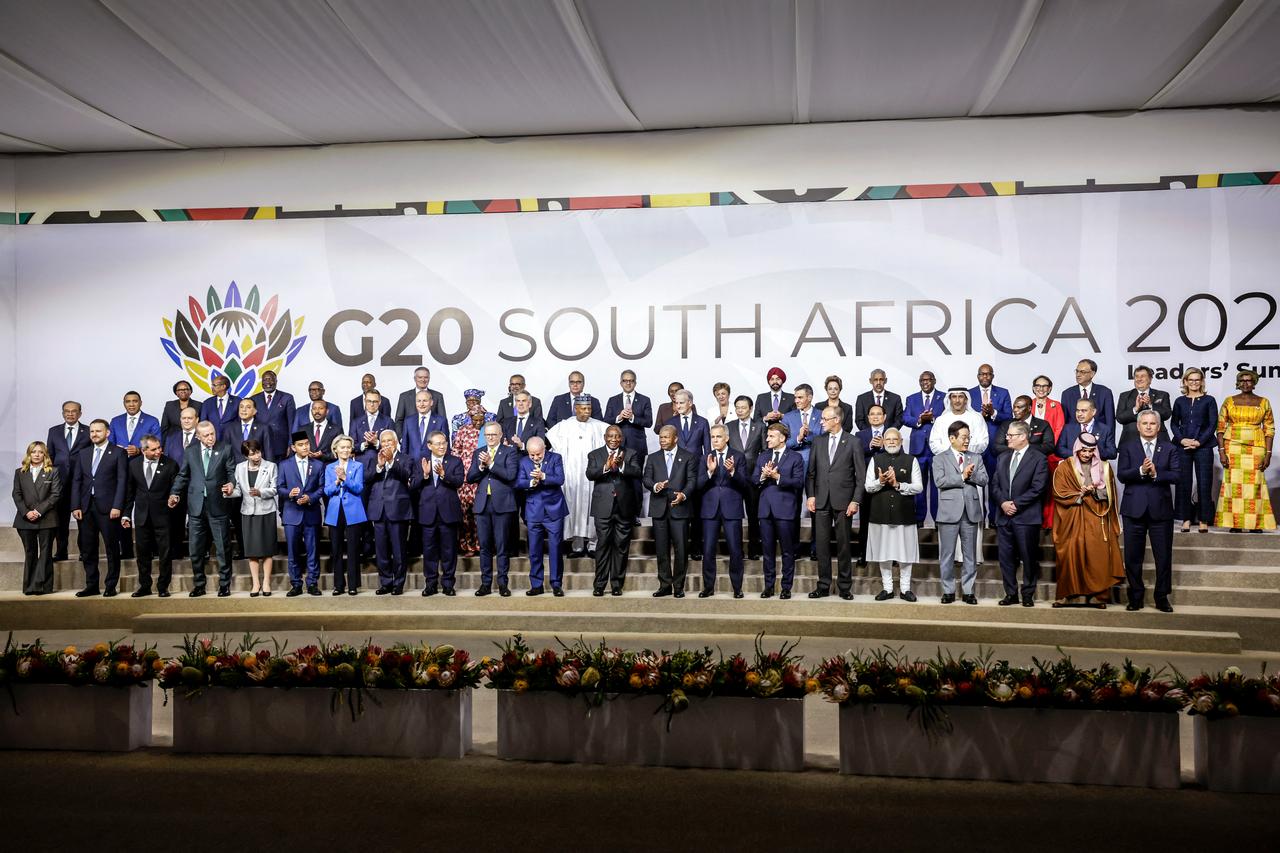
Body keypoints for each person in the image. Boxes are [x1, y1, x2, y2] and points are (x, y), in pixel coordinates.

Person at [1052, 433, 1124, 608]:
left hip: (1096, 514)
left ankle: (1099, 595)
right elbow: (1059, 491)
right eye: (1083, 450)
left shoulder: (1104, 468)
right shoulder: (1065, 467)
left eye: (1091, 451)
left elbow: (1110, 493)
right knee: (1070, 551)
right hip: (1073, 515)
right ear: (1077, 449)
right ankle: (1067, 594)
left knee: (1097, 552)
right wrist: (1079, 494)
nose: (1086, 454)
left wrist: (1094, 491)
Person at [1119, 411, 1182, 611]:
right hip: (1133, 509)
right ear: (1138, 426)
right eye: (1144, 423)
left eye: (1152, 423)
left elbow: (1176, 475)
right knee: (1132, 557)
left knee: (1163, 557)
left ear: (1159, 426)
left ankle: (1161, 597)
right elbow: (1122, 474)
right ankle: (1136, 596)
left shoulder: (1170, 448)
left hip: (1160, 511)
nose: (1148, 426)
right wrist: (1140, 471)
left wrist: (1156, 473)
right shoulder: (1127, 447)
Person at [169, 420, 237, 597]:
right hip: (196, 506)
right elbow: (183, 475)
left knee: (223, 548)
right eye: (206, 435)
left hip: (218, 505)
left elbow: (231, 472)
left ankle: (224, 584)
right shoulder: (190, 451)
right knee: (195, 549)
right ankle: (199, 584)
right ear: (198, 436)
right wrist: (174, 493)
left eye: (212, 433)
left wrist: (231, 484)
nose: (211, 437)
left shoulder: (225, 448)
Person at [807, 405, 865, 600]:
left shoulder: (853, 442)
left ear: (837, 420)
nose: (821, 421)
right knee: (822, 546)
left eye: (825, 418)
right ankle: (823, 586)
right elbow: (811, 473)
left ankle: (844, 588)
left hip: (844, 502)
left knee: (843, 546)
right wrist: (811, 496)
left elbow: (860, 476)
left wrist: (855, 500)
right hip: (821, 501)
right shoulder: (818, 441)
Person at [992, 422, 1048, 607]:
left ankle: (1028, 594)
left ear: (1023, 436)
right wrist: (1003, 503)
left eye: (1011, 435)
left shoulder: (1039, 458)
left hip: (1026, 517)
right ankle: (1011, 594)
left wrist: (1015, 504)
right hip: (1004, 516)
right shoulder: (1002, 457)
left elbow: (1038, 488)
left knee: (1028, 557)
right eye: (1008, 435)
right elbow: (995, 485)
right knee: (1006, 559)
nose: (1007, 438)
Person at [70, 419, 128, 597]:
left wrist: (118, 505)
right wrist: (76, 505)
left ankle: (111, 585)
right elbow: (77, 481)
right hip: (86, 507)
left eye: (98, 431)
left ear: (107, 433)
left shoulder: (118, 452)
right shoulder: (83, 453)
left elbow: (122, 481)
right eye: (92, 431)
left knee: (111, 548)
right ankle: (92, 585)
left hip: (109, 508)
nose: (94, 434)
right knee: (87, 549)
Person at [545, 396, 609, 557]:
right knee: (575, 508)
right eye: (583, 408)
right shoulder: (564, 426)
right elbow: (552, 445)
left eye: (589, 408)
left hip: (592, 476)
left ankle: (594, 545)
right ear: (575, 408)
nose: (587, 411)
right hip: (572, 475)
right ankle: (578, 545)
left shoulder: (600, 427)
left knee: (592, 508)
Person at [863, 428, 922, 601]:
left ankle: (905, 589)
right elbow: (868, 487)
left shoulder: (911, 460)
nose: (891, 442)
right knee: (883, 553)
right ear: (883, 442)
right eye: (887, 439)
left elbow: (918, 487)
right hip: (880, 514)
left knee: (906, 554)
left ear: (901, 441)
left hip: (904, 514)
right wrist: (880, 482)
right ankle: (887, 589)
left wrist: (898, 485)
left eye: (894, 439)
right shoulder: (875, 460)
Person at [1215, 369, 1275, 532]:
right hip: (1232, 446)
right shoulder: (1229, 401)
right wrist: (1221, 451)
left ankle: (1255, 524)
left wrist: (1268, 454)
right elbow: (1220, 428)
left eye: (1249, 380)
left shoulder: (1264, 402)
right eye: (1242, 380)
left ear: (1254, 382)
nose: (1245, 383)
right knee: (1234, 485)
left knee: (1255, 484)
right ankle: (1236, 523)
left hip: (1256, 446)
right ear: (1238, 382)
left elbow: (1269, 429)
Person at [933, 422, 987, 605]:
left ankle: (968, 591)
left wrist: (970, 475)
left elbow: (984, 479)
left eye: (968, 437)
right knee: (947, 555)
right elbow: (939, 482)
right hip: (948, 513)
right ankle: (948, 591)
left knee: (970, 554)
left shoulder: (976, 457)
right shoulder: (939, 459)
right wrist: (962, 477)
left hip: (970, 512)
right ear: (952, 438)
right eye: (964, 437)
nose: (967, 441)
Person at [585, 425, 642, 596]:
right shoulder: (595, 454)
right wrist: (606, 467)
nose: (614, 439)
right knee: (603, 546)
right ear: (605, 437)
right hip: (603, 508)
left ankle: (617, 584)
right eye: (610, 436)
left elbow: (637, 472)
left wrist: (621, 465)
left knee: (621, 547)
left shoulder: (631, 453)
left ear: (622, 438)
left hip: (624, 507)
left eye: (617, 436)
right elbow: (590, 474)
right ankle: (599, 585)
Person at [644, 425, 697, 598]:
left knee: (681, 549)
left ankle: (678, 586)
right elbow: (646, 479)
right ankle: (665, 585)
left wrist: (684, 495)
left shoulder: (688, 457)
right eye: (660, 438)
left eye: (666, 437)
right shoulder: (652, 458)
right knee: (661, 549)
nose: (662, 440)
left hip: (679, 508)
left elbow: (691, 481)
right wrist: (655, 486)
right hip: (659, 509)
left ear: (675, 438)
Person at [121, 435, 177, 597]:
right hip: (142, 516)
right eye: (154, 449)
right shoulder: (134, 465)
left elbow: (176, 488)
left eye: (159, 447)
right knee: (143, 554)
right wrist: (126, 515)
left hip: (163, 516)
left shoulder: (170, 464)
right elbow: (129, 493)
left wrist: (174, 497)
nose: (158, 451)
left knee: (165, 554)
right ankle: (144, 586)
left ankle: (162, 587)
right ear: (144, 450)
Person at [467, 421, 518, 597]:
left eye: (494, 435)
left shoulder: (509, 451)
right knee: (485, 547)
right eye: (487, 435)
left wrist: (491, 464)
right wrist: (481, 466)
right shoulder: (478, 453)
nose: (490, 438)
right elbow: (470, 477)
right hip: (482, 505)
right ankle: (486, 583)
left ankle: (503, 584)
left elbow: (510, 475)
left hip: (502, 505)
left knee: (502, 546)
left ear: (500, 435)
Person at [697, 424, 748, 598]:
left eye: (718, 436)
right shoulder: (705, 457)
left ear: (726, 438)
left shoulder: (738, 456)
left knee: (735, 550)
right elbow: (698, 485)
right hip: (709, 510)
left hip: (731, 509)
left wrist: (733, 471)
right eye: (712, 437)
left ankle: (737, 588)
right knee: (708, 550)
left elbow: (745, 485)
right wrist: (710, 472)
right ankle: (708, 588)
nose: (715, 440)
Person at [755, 423, 804, 598]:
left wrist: (777, 477)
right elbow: (754, 479)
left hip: (785, 510)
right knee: (767, 551)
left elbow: (798, 483)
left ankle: (786, 587)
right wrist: (763, 475)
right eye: (767, 436)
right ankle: (768, 586)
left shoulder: (795, 457)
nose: (767, 439)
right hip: (765, 510)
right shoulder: (763, 456)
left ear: (782, 438)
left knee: (787, 551)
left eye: (771, 436)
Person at [516, 436, 567, 596]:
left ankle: (556, 584)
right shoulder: (523, 462)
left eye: (538, 454)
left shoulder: (555, 458)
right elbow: (518, 482)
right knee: (534, 550)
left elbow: (560, 479)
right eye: (532, 455)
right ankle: (536, 584)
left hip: (554, 510)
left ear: (545, 448)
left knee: (555, 548)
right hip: (533, 511)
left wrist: (543, 477)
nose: (535, 457)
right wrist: (530, 483)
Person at [365, 429, 414, 595]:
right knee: (381, 550)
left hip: (397, 510)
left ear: (395, 443)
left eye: (389, 441)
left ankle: (398, 583)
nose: (385, 444)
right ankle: (385, 582)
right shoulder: (374, 459)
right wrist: (379, 465)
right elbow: (367, 478)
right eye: (383, 441)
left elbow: (406, 475)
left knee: (399, 549)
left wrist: (392, 461)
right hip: (378, 510)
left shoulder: (406, 458)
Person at [416, 431, 464, 596]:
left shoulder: (455, 461)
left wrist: (444, 475)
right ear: (429, 445)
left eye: (444, 443)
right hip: (428, 513)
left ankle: (448, 584)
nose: (442, 446)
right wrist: (425, 475)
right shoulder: (421, 460)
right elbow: (413, 485)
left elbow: (459, 482)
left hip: (448, 513)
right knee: (429, 551)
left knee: (449, 551)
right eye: (438, 443)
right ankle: (430, 584)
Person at [1172, 367, 1218, 533]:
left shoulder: (1209, 400)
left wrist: (1199, 442)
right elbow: (1173, 423)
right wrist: (1182, 439)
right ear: (1185, 382)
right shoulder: (1179, 401)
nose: (1194, 383)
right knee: (1183, 482)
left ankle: (1203, 519)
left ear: (1202, 381)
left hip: (1203, 446)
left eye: (1197, 380)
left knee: (1204, 482)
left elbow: (1213, 424)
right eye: (1190, 380)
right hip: (1182, 446)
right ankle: (1186, 518)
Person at [277, 430, 324, 596]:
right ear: (293, 447)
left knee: (313, 550)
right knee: (293, 551)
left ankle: (312, 583)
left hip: (311, 513)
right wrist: (289, 493)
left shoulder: (318, 465)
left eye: (307, 444)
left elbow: (321, 488)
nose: (305, 447)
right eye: (301, 445)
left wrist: (309, 497)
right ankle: (296, 584)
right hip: (292, 513)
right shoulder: (284, 465)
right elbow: (279, 488)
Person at [230, 439, 278, 596]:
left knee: (267, 550)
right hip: (248, 512)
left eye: (258, 452)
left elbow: (274, 489)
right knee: (252, 551)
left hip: (266, 512)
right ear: (246, 456)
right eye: (252, 454)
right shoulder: (239, 468)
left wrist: (261, 492)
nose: (257, 456)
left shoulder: (270, 466)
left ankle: (266, 583)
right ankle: (255, 583)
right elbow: (238, 491)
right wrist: (228, 492)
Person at [12, 440, 61, 596]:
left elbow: (55, 495)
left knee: (45, 553)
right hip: (24, 519)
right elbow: (17, 494)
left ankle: (41, 586)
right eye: (34, 452)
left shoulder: (53, 471)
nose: (37, 455)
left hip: (47, 518)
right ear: (29, 454)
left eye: (40, 452)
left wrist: (38, 511)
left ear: (45, 454)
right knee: (30, 552)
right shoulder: (20, 472)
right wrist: (27, 512)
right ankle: (28, 586)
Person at [46, 400, 91, 562]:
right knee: (60, 519)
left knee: (83, 520)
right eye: (67, 411)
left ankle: (84, 552)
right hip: (60, 482)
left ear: (80, 413)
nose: (70, 414)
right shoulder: (54, 431)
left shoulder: (88, 431)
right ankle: (61, 551)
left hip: (81, 482)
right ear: (63, 413)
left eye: (74, 411)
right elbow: (49, 456)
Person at [451, 391, 495, 556]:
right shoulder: (462, 431)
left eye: (480, 419)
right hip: (466, 479)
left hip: (484, 478)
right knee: (466, 513)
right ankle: (467, 545)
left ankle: (483, 545)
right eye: (474, 419)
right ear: (470, 418)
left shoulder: (490, 430)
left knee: (483, 513)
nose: (478, 422)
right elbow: (455, 453)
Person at [783, 383, 823, 558]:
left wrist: (810, 435)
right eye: (795, 397)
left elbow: (824, 439)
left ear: (810, 397)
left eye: (800, 397)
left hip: (817, 466)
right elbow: (785, 443)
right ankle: (793, 547)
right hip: (795, 467)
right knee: (794, 507)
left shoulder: (821, 415)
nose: (796, 400)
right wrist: (799, 437)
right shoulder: (788, 417)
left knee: (816, 508)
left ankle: (816, 548)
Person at [323, 435, 366, 595]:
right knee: (336, 550)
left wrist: (345, 478)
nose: (346, 450)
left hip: (353, 511)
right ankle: (338, 585)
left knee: (353, 549)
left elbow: (358, 488)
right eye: (342, 447)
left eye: (348, 447)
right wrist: (336, 482)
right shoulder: (329, 467)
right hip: (335, 511)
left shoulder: (357, 466)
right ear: (335, 449)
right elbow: (327, 491)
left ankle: (353, 585)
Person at [604, 369, 653, 506]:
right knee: (617, 478)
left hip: (637, 447)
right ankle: (619, 511)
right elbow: (606, 420)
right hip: (616, 446)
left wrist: (632, 418)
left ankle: (636, 514)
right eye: (625, 380)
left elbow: (648, 422)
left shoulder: (644, 400)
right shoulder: (613, 400)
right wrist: (619, 417)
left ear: (635, 383)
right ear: (621, 383)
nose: (628, 383)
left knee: (636, 479)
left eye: (631, 380)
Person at [902, 371, 945, 525]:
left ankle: (937, 519)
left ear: (934, 381)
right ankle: (919, 519)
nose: (925, 383)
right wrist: (920, 419)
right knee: (918, 485)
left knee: (936, 486)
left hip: (936, 448)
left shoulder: (944, 397)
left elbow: (947, 417)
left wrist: (932, 419)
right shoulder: (911, 398)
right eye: (922, 380)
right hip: (918, 448)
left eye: (928, 380)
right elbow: (905, 418)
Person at [726, 395, 766, 558]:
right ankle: (736, 551)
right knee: (734, 516)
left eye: (743, 407)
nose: (740, 410)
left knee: (753, 515)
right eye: (737, 407)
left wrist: (760, 473)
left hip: (753, 477)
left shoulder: (760, 426)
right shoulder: (728, 426)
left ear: (750, 409)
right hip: (733, 476)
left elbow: (764, 451)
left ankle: (754, 550)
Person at [1031, 375, 1067, 530]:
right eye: (1038, 385)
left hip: (1049, 452)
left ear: (1050, 388)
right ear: (1033, 388)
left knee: (1048, 488)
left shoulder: (1056, 405)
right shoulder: (1027, 403)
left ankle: (1047, 521)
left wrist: (1048, 445)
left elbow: (1059, 428)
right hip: (1029, 452)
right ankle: (1033, 520)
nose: (1041, 388)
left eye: (1045, 386)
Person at [1116, 366, 1173, 446]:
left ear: (1150, 379)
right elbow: (1120, 418)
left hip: (1159, 441)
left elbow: (1167, 414)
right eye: (1136, 376)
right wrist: (1135, 409)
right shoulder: (1124, 396)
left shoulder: (1162, 395)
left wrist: (1151, 405)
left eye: (1142, 376)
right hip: (1130, 441)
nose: (1139, 379)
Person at [250, 369, 296, 462]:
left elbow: (292, 424)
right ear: (262, 382)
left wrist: (291, 444)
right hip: (260, 445)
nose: (268, 382)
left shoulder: (287, 398)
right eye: (265, 380)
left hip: (280, 446)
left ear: (276, 381)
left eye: (271, 379)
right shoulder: (253, 399)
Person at [1060, 359, 1115, 429]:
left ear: (1092, 374)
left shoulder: (1105, 392)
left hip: (1098, 437)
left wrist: (1109, 439)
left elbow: (1110, 421)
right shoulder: (1067, 394)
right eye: (1077, 371)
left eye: (1082, 372)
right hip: (1074, 437)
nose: (1078, 374)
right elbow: (1064, 422)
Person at [394, 366, 448, 433]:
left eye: (426, 377)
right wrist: (402, 438)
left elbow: (443, 420)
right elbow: (399, 420)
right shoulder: (404, 396)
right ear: (414, 378)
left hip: (432, 440)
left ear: (429, 378)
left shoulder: (438, 396)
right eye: (420, 377)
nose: (423, 380)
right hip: (410, 439)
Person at [109, 391, 161, 459]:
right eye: (128, 401)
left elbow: (157, 443)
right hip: (119, 461)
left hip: (141, 462)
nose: (131, 404)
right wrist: (116, 449)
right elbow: (110, 443)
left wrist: (139, 450)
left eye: (135, 401)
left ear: (140, 403)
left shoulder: (152, 421)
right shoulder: (115, 421)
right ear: (124, 403)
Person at [402, 388, 451, 460]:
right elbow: (404, 446)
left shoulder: (441, 421)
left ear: (431, 402)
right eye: (419, 401)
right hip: (412, 466)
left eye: (425, 401)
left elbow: (446, 447)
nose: (421, 404)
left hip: (433, 466)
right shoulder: (408, 421)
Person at [223, 398, 272, 462]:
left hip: (258, 468)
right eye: (241, 407)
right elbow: (226, 453)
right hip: (236, 469)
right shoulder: (230, 428)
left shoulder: (264, 428)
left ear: (255, 411)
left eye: (248, 407)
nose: (243, 410)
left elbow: (269, 453)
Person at [501, 390, 547, 457]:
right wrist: (504, 446)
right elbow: (502, 442)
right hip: (509, 462)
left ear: (530, 404)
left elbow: (540, 446)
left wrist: (522, 445)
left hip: (528, 462)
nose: (520, 403)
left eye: (524, 401)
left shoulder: (538, 423)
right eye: (518, 401)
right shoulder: (506, 422)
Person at [304, 400, 341, 465]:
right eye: (314, 408)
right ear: (311, 411)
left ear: (327, 411)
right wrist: (306, 454)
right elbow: (298, 449)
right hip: (308, 468)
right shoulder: (303, 429)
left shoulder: (336, 429)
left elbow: (340, 451)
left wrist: (323, 455)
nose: (317, 411)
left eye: (320, 408)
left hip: (328, 467)